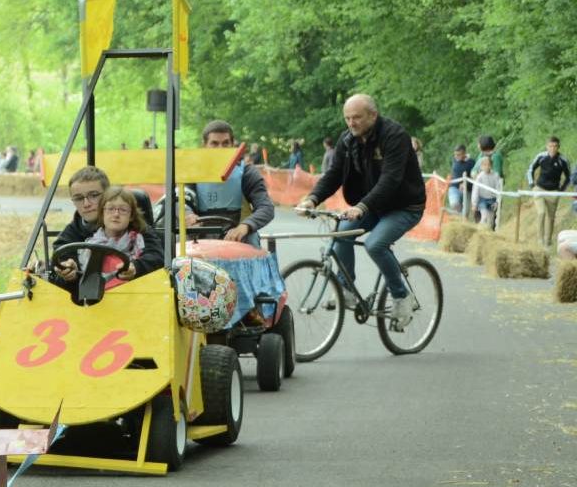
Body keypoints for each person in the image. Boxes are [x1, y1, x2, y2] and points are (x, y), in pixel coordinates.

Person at [297, 94, 426, 329]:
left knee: (375, 244)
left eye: (357, 117)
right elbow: (334, 174)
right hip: (373, 205)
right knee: (342, 236)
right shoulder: (347, 140)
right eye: (347, 118)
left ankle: (401, 296)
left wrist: (361, 207)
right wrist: (312, 200)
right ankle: (346, 289)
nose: (351, 123)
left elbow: (390, 179)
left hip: (404, 206)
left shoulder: (394, 136)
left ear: (373, 115)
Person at [181, 120, 275, 248]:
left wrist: (245, 226)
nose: (220, 149)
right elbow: (180, 200)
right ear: (204, 145)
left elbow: (266, 207)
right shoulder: (192, 172)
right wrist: (187, 214)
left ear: (232, 145)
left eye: (225, 143)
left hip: (238, 238)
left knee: (251, 238)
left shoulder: (247, 172)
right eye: (214, 144)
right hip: (200, 238)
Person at [54, 186, 163, 290]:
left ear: (131, 216)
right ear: (102, 213)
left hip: (133, 297)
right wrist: (69, 270)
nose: (116, 214)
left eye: (123, 210)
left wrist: (137, 267)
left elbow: (157, 258)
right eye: (110, 209)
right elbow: (65, 263)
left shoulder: (141, 239)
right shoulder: (84, 238)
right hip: (88, 301)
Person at [525, 136, 572, 248]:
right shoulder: (541, 156)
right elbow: (531, 169)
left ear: (558, 147)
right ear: (547, 146)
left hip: (554, 191)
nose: (553, 148)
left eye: (555, 146)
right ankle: (539, 240)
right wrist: (532, 184)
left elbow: (569, 177)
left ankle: (548, 241)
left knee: (551, 217)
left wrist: (561, 189)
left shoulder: (563, 160)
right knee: (541, 213)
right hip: (539, 189)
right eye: (550, 146)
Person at [471, 155, 502, 228]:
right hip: (483, 200)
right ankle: (480, 230)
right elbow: (476, 190)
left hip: (492, 200)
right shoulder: (479, 177)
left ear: (491, 165)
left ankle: (488, 233)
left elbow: (498, 189)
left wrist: (497, 201)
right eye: (484, 165)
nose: (487, 166)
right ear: (481, 166)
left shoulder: (495, 176)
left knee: (490, 220)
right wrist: (474, 203)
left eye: (488, 164)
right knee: (484, 216)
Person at [446, 145, 476, 216]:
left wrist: (466, 183)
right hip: (454, 187)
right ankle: (456, 220)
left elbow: (474, 177)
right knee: (454, 205)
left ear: (464, 153)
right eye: (455, 154)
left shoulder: (471, 162)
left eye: (459, 155)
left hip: (467, 189)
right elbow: (453, 172)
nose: (456, 156)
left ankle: (461, 221)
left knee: (465, 213)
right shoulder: (453, 160)